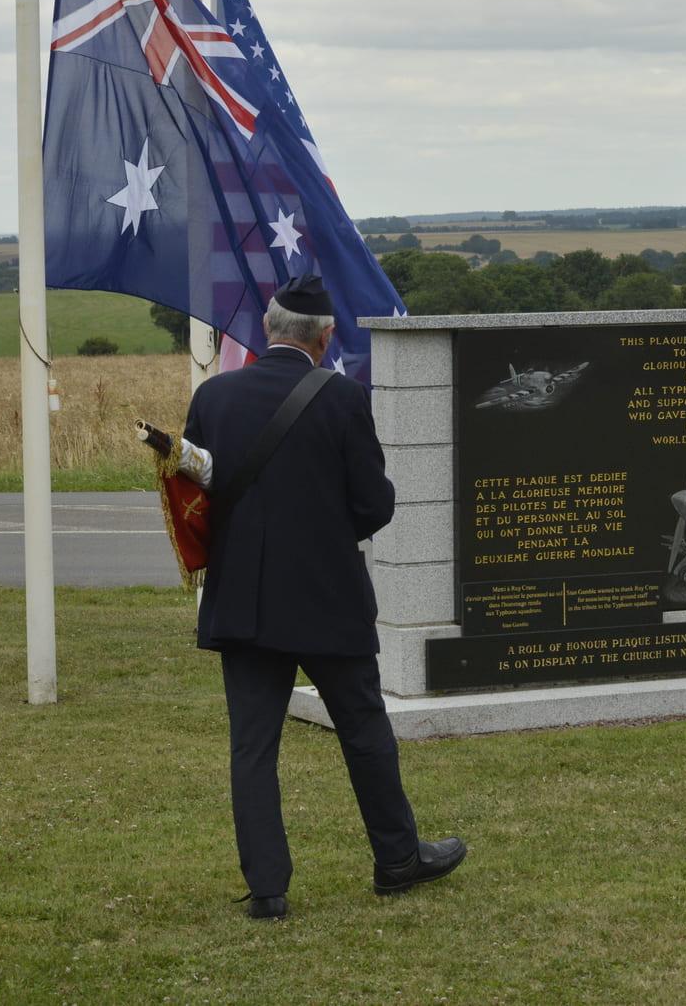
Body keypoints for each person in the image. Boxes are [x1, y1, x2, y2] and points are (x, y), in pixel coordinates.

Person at [183, 275, 465, 920]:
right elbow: (372, 503)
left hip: (245, 602)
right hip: (327, 597)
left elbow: (199, 494)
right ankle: (397, 861)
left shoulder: (216, 396)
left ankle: (268, 890)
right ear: (325, 336)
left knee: (252, 746)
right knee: (364, 730)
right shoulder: (341, 398)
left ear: (268, 332)